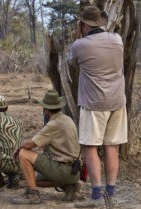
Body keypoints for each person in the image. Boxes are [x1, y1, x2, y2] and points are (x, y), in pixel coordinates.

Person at [68, 6, 127, 208]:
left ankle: (96, 196)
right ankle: (110, 192)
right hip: (118, 102)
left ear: (83, 24)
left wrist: (79, 36)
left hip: (93, 103)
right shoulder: (117, 39)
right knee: (112, 146)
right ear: (99, 22)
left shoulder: (79, 44)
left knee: (90, 146)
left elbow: (72, 64)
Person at [12, 90, 81, 204]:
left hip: (63, 170)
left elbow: (30, 144)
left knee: (24, 153)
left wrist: (19, 149)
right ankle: (70, 186)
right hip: (74, 171)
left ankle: (33, 195)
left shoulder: (53, 124)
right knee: (32, 179)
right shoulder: (67, 119)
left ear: (46, 109)